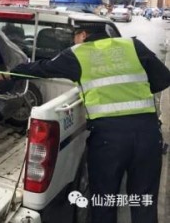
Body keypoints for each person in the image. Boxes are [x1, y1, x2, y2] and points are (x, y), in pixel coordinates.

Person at [11, 22, 170, 223]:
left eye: (74, 37)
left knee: (103, 202)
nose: (73, 42)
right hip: (147, 135)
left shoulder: (78, 54)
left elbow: (42, 68)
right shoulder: (132, 46)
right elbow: (164, 79)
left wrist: (11, 73)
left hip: (109, 141)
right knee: (144, 202)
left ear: (83, 35)